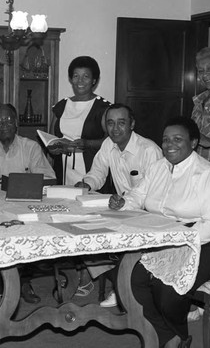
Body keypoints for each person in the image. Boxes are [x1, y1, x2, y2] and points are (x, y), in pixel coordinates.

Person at [110, 116, 210, 348]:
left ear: (193, 142)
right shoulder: (157, 167)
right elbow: (138, 196)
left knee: (167, 287)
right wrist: (123, 203)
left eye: (177, 139)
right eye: (165, 139)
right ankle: (168, 335)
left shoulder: (207, 174)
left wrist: (180, 242)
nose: (169, 144)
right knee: (130, 279)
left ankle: (175, 339)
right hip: (170, 236)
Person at [0, 104, 56, 306]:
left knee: (30, 229)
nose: (3, 125)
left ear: (17, 123)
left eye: (7, 121)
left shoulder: (30, 147)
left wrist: (28, 181)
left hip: (20, 204)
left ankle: (23, 281)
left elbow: (50, 178)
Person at [73, 103, 162, 301]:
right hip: (121, 207)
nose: (115, 129)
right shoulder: (108, 145)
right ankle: (109, 275)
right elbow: (98, 172)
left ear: (132, 124)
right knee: (84, 224)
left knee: (105, 229)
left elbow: (151, 192)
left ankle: (124, 285)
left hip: (147, 212)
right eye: (110, 123)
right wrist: (86, 184)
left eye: (121, 123)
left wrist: (125, 203)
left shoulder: (149, 150)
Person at [49, 56, 111, 186]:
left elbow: (112, 142)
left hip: (92, 172)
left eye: (86, 76)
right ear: (71, 79)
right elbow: (50, 139)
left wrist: (88, 143)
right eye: (76, 76)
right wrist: (53, 148)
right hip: (62, 170)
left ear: (94, 80)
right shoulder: (61, 106)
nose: (80, 81)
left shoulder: (103, 108)